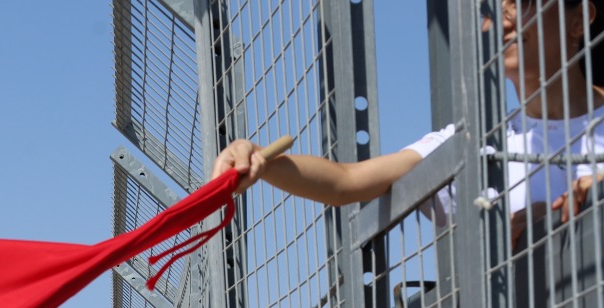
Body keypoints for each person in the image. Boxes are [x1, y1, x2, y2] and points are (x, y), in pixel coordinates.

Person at [211, 0, 604, 240]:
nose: (501, 16)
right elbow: (346, 181)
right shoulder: (478, 142)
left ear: (578, 18)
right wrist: (260, 162)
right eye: (488, 6)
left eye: (522, 0)